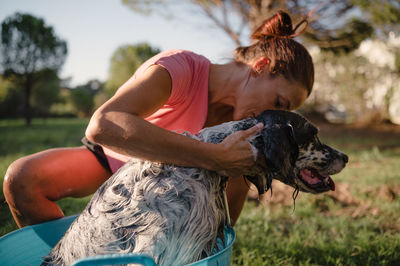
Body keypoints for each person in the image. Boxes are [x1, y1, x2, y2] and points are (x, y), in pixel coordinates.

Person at [3, 10, 314, 228]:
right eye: (278, 102)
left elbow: (224, 226)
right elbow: (104, 124)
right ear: (260, 66)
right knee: (23, 178)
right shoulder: (181, 68)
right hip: (116, 163)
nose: (267, 116)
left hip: (169, 200)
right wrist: (212, 156)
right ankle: (74, 254)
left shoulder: (245, 128)